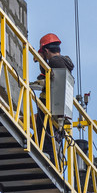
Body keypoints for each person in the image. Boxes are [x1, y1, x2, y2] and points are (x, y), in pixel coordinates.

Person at [31, 33, 74, 162]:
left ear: (46, 50)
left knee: (46, 132)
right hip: (57, 105)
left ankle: (49, 157)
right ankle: (47, 156)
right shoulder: (62, 63)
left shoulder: (55, 62)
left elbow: (49, 77)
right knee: (41, 133)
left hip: (50, 103)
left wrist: (40, 60)